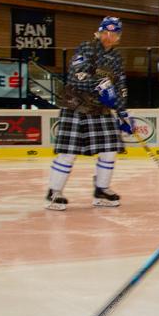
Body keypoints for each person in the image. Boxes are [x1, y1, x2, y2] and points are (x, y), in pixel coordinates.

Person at [46, 16, 134, 211]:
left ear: (118, 37)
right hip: (76, 107)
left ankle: (101, 190)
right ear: (99, 32)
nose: (108, 37)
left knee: (109, 151)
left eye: (113, 34)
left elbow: (120, 87)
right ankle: (54, 192)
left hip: (100, 110)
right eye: (106, 32)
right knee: (67, 153)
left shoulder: (117, 58)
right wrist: (100, 86)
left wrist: (122, 113)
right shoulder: (87, 48)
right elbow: (76, 77)